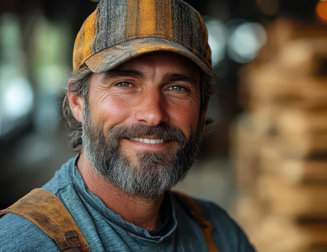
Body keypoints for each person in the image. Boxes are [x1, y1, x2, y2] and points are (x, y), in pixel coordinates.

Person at [0, 0, 255, 251]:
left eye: (177, 88)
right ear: (78, 101)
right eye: (125, 84)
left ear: (203, 108)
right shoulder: (26, 242)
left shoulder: (219, 234)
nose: (153, 114)